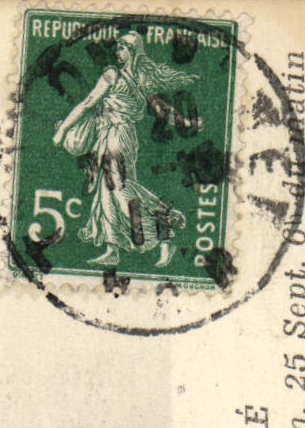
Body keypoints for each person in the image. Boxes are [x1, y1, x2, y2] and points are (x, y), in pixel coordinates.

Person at [51, 31, 197, 266]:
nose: (118, 53)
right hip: (116, 137)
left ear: (132, 52)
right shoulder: (141, 79)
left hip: (117, 137)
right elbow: (161, 110)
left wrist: (62, 130)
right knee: (106, 193)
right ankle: (113, 248)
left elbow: (88, 103)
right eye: (118, 48)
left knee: (119, 192)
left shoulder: (113, 75)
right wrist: (183, 122)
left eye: (122, 49)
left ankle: (164, 234)